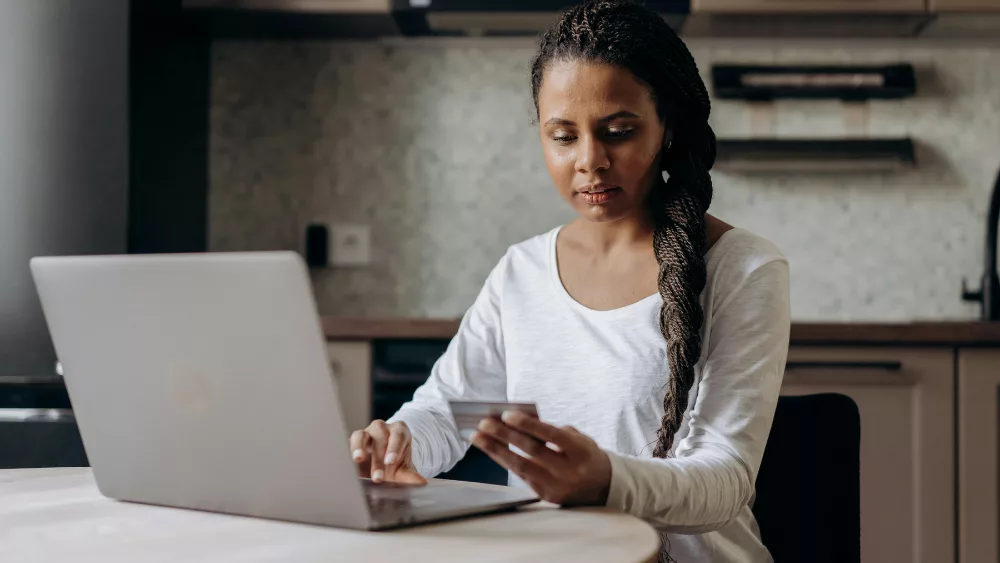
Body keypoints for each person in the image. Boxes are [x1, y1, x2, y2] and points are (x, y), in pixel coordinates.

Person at [349, 1, 790, 561]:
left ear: (668, 129)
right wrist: (400, 444)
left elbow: (724, 479)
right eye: (563, 136)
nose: (590, 161)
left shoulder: (743, 268)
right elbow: (450, 413)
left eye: (618, 132)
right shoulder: (522, 271)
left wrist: (605, 479)